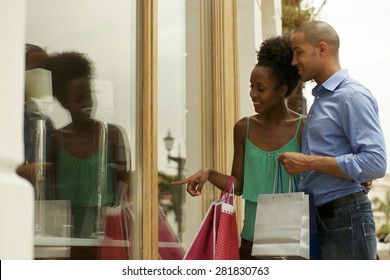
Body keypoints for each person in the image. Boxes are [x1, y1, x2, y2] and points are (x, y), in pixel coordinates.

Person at [172, 36, 303, 259]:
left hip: (294, 240)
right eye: (251, 86)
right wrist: (209, 173)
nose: (253, 93)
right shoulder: (244, 128)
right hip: (251, 240)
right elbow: (239, 185)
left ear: (282, 89)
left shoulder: (304, 127)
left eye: (261, 89)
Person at [278, 21, 387, 260]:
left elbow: (376, 163)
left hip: (345, 217)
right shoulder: (322, 99)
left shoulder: (352, 96)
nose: (294, 62)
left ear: (322, 49)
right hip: (323, 219)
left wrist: (309, 163)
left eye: (299, 53)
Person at [50, 51, 131, 242]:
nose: (87, 104)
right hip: (64, 237)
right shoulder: (54, 140)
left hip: (108, 235)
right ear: (63, 102)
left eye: (89, 96)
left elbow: (126, 190)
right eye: (79, 99)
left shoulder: (112, 135)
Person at [16, 44, 55, 199]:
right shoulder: (7, 116)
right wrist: (18, 173)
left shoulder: (44, 123)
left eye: (47, 71)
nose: (43, 76)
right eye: (38, 69)